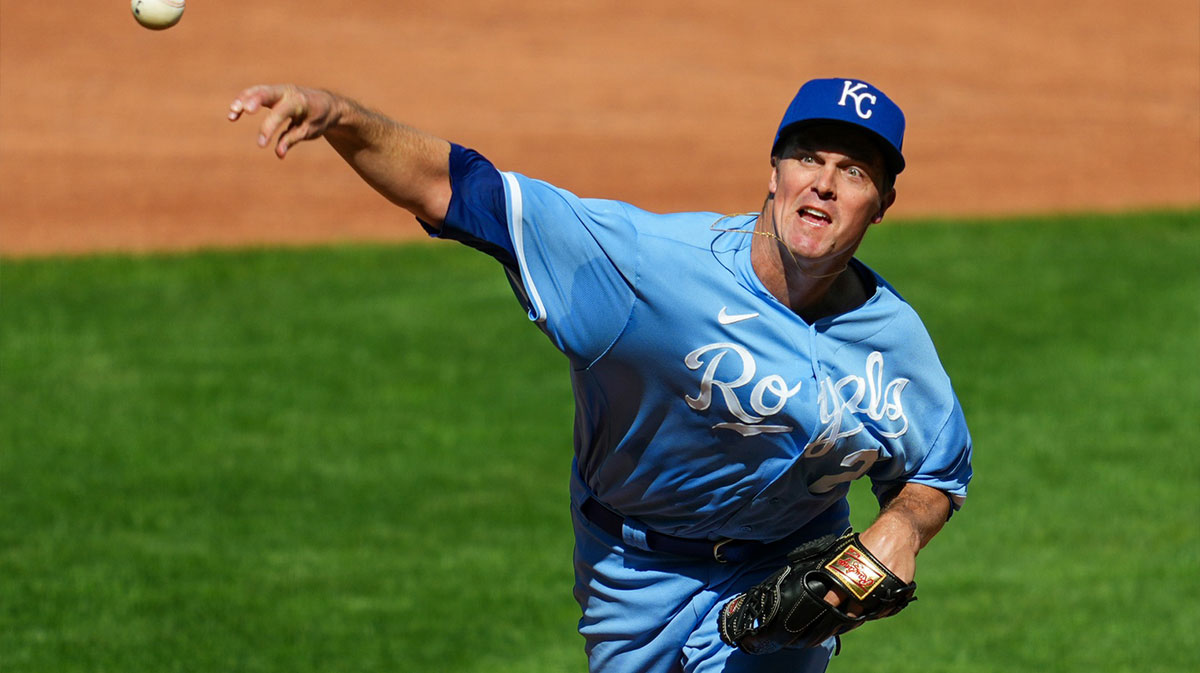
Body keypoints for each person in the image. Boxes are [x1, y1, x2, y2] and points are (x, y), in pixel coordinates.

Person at [227, 77, 973, 673]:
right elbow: (457, 191)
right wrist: (339, 116)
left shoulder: (893, 341)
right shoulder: (648, 267)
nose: (823, 185)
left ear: (882, 206)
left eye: (854, 172)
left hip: (783, 582)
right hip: (634, 568)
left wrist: (900, 527)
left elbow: (937, 469)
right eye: (808, 157)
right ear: (772, 170)